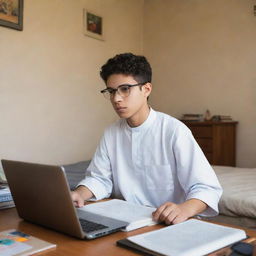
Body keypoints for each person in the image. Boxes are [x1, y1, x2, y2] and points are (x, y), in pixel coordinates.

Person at [71, 53, 222, 225]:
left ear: (146, 89)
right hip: (122, 221)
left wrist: (184, 209)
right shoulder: (111, 133)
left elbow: (207, 188)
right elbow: (99, 178)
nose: (116, 99)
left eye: (125, 89)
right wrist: (79, 193)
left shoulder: (174, 131)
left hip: (164, 224)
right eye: (111, 91)